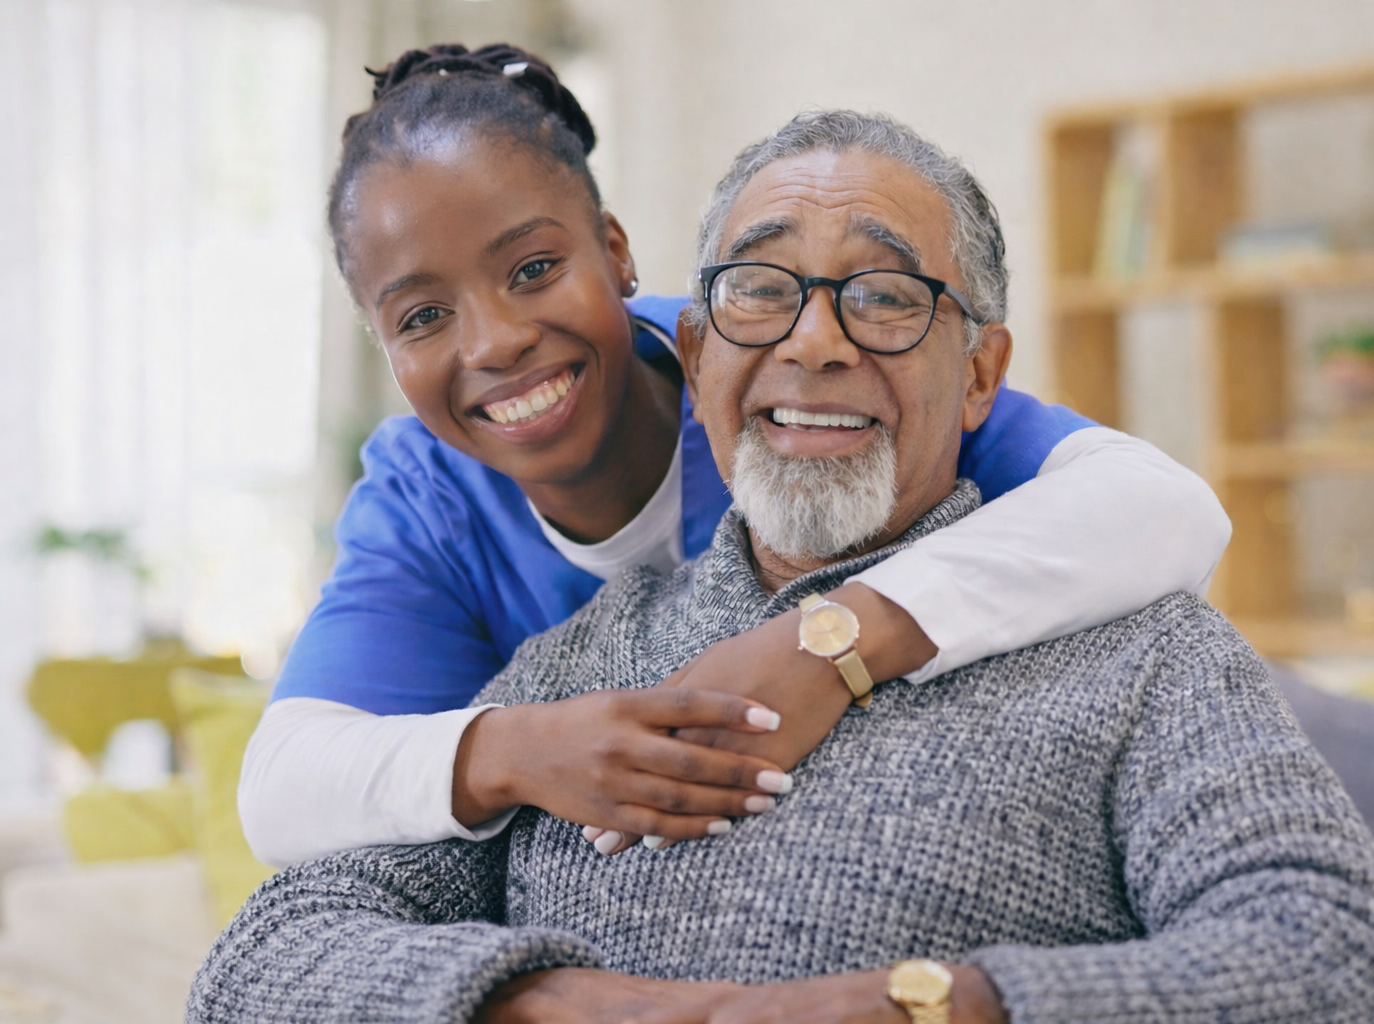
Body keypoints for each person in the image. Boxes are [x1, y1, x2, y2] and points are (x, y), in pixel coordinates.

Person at [188, 110, 1374, 1024]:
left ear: (979, 374)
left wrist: (918, 1003)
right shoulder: (572, 670)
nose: (815, 343)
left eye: (886, 296)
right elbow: (262, 962)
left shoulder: (1143, 653)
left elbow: (1370, 973)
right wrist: (579, 1005)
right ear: (693, 351)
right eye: (763, 292)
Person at [238, 43, 1231, 866]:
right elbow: (284, 786)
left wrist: (831, 639)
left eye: (535, 269)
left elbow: (1165, 507)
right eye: (422, 315)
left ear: (619, 255)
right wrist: (528, 747)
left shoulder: (785, 385)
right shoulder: (428, 495)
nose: (494, 341)